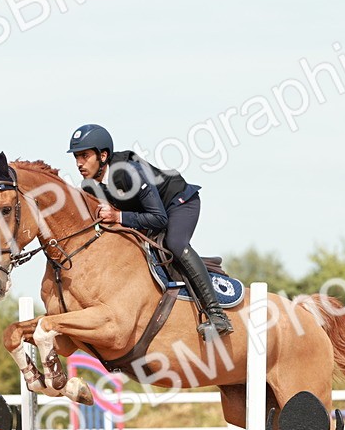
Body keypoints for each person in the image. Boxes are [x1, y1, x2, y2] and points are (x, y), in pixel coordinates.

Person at [66, 124, 233, 338]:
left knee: (175, 244)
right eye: (76, 157)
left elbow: (159, 219)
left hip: (179, 202)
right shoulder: (90, 186)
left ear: (103, 155)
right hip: (149, 213)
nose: (79, 163)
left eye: (85, 156)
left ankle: (217, 314)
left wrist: (118, 217)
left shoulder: (129, 173)